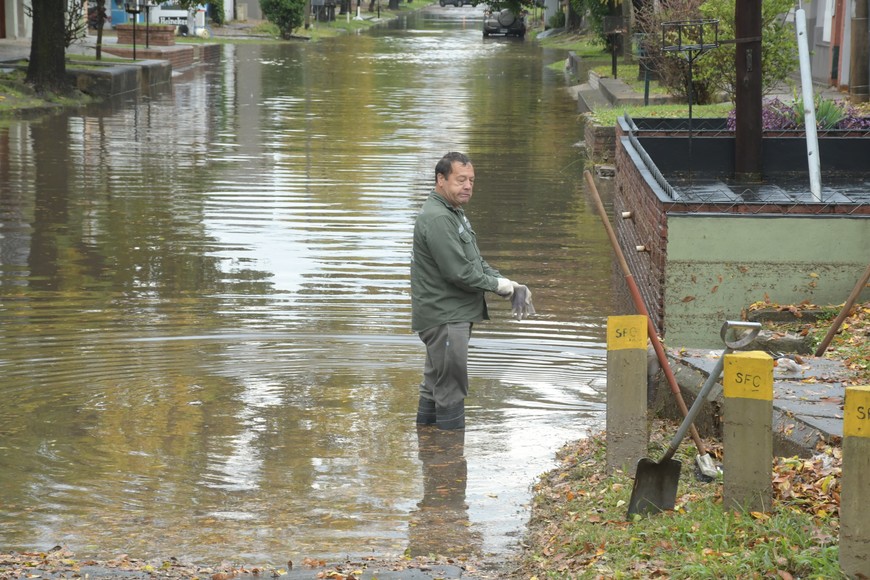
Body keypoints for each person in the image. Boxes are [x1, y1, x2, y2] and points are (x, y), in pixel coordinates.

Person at [410, 152, 530, 430]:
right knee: (451, 387)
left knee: (434, 384)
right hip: (446, 317)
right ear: (441, 179)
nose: (467, 186)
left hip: (446, 315)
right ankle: (450, 461)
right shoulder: (440, 218)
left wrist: (507, 282)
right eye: (460, 179)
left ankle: (429, 451)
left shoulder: (452, 213)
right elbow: (458, 272)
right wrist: (499, 286)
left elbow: (474, 262)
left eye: (471, 180)